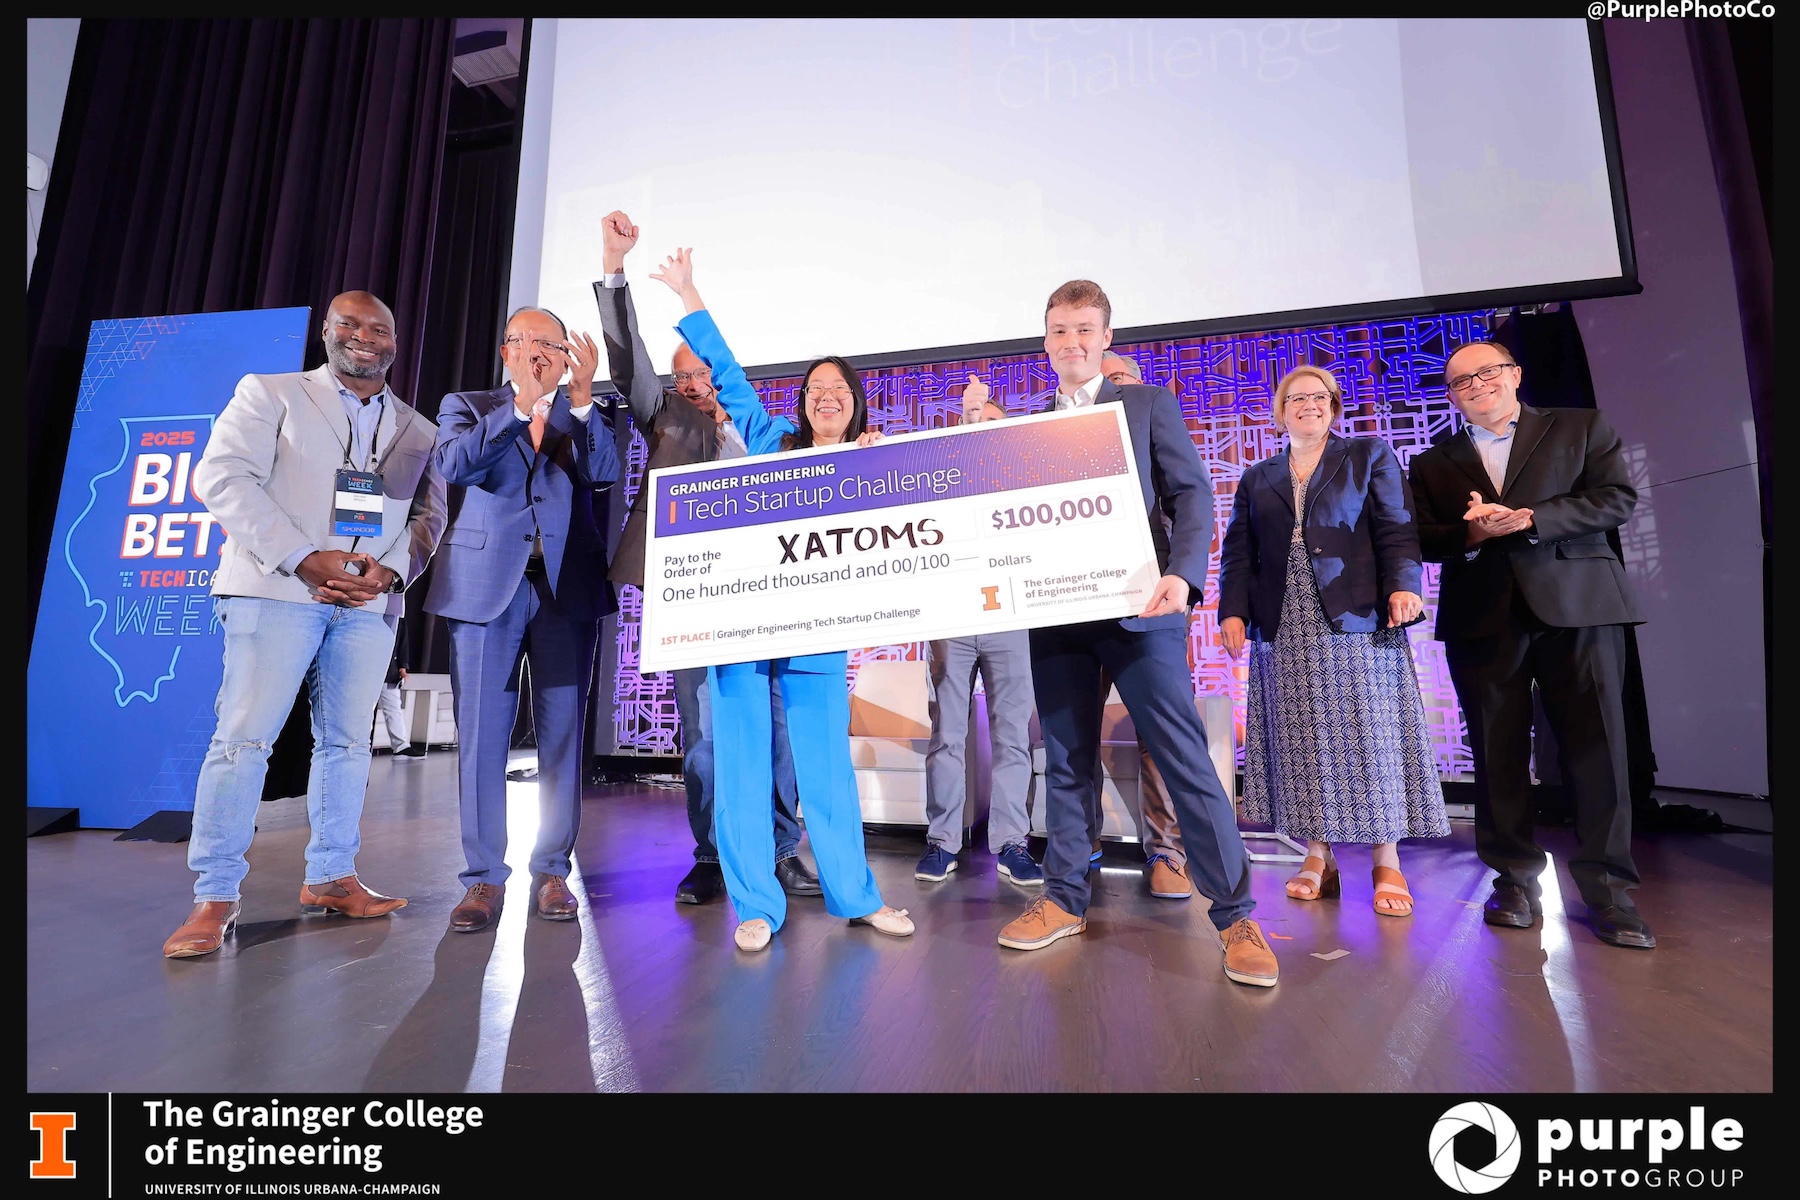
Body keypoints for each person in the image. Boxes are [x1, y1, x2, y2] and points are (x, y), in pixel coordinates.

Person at [998, 280, 1277, 988]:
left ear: (1106, 339)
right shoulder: (1026, 429)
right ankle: (1064, 898)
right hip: (1058, 615)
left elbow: (1190, 494)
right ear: (1046, 342)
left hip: (1142, 611)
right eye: (1060, 330)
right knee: (1064, 761)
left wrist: (1183, 578)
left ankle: (1236, 913)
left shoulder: (1146, 404)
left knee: (1184, 757)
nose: (1072, 342)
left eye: (1085, 329)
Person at [162, 292, 447, 959]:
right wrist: (303, 558)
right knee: (243, 742)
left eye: (380, 327)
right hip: (276, 590)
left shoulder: (419, 429)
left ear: (395, 343)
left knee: (348, 746)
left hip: (367, 606)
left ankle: (331, 877)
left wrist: (391, 572)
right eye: (349, 324)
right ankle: (215, 895)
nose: (365, 336)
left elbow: (428, 519)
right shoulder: (271, 392)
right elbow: (224, 477)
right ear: (327, 332)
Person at [649, 247, 913, 952]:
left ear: (855, 404)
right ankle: (756, 907)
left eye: (840, 389)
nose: (827, 395)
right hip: (741, 632)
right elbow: (730, 379)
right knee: (738, 765)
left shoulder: (870, 464)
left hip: (820, 639)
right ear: (802, 403)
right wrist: (689, 294)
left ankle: (856, 897)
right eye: (816, 387)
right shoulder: (771, 445)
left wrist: (877, 470)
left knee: (825, 769)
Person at [591, 211, 820, 906]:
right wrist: (614, 269)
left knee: (777, 729)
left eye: (703, 373)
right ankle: (714, 855)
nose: (694, 386)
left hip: (770, 602)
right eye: (682, 377)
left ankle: (782, 850)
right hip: (690, 600)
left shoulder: (774, 434)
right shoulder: (668, 418)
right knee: (703, 739)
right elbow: (629, 365)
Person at [1408, 340, 1653, 949]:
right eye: (1460, 381)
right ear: (1451, 396)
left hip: (1580, 606)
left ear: (1514, 374)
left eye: (1487, 372)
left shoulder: (1579, 426)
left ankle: (1610, 890)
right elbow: (1422, 538)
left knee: (1598, 746)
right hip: (1484, 617)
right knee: (1497, 753)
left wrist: (1530, 519)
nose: (1475, 385)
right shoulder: (1434, 461)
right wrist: (1472, 529)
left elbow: (1616, 499)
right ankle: (1513, 879)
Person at [1218, 364, 1448, 916]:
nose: (1308, 405)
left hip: (1357, 614)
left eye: (1319, 397)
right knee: (1303, 741)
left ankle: (1386, 858)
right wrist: (1232, 612)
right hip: (1284, 620)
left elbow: (1396, 527)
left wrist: (1404, 586)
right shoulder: (1258, 476)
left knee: (1369, 735)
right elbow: (1237, 553)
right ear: (1279, 412)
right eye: (1295, 398)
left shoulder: (1368, 455)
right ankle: (1317, 855)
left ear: (1335, 406)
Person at [425, 304, 620, 933]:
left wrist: (582, 402)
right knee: (482, 734)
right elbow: (456, 467)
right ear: (504, 351)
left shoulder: (585, 411)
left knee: (562, 738)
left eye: (548, 343)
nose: (534, 352)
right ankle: (482, 879)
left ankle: (552, 870)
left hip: (567, 592)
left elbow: (607, 473)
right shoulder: (468, 404)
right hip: (486, 590)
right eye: (522, 341)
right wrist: (521, 408)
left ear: (567, 356)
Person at [914, 375, 1040, 888]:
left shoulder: (1027, 487)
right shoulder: (945, 480)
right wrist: (967, 425)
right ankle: (942, 842)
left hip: (1013, 622)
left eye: (994, 427)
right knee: (948, 735)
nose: (984, 434)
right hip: (952, 621)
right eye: (976, 425)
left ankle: (1013, 843)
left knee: (1014, 738)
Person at [1095, 350, 1192, 899]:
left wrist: (1180, 579)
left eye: (1123, 380)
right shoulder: (1066, 433)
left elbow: (1189, 505)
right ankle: (1079, 849)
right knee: (1072, 729)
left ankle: (1168, 853)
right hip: (1076, 603)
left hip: (1150, 601)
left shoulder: (1156, 421)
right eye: (1104, 382)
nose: (1113, 389)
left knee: (1161, 734)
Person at [375, 618, 425, 760]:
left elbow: (402, 640)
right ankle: (358, 746)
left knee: (393, 708)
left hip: (390, 670)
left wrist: (402, 667)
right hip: (367, 669)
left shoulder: (399, 615)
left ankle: (401, 747)